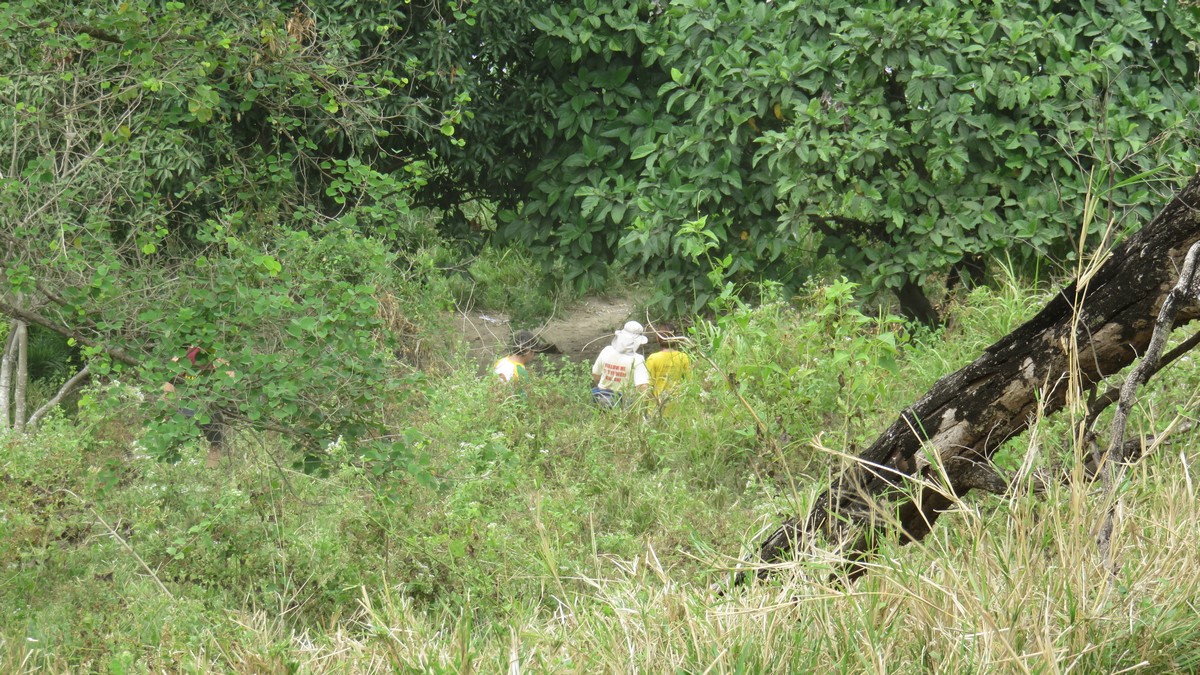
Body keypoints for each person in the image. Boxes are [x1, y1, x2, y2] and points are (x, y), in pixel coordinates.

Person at [162, 346, 234, 468]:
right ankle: (174, 465)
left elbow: (230, 378)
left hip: (207, 405)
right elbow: (168, 389)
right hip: (190, 405)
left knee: (215, 440)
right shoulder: (183, 357)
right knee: (214, 442)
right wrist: (166, 413)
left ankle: (211, 469)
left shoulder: (215, 355)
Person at [591, 321, 650, 408]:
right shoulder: (638, 359)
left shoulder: (606, 350)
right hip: (624, 402)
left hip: (601, 399)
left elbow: (596, 375)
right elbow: (642, 387)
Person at [645, 323, 691, 415]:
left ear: (657, 338)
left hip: (656, 408)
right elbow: (690, 382)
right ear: (676, 338)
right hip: (677, 407)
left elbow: (648, 386)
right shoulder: (683, 357)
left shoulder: (652, 358)